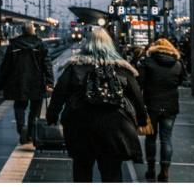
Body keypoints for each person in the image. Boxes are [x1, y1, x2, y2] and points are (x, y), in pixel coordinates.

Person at [46, 27, 147, 182]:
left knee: (82, 169)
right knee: (112, 171)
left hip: (80, 125)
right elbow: (136, 96)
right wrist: (142, 119)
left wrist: (52, 116)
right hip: (114, 126)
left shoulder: (75, 67)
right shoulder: (122, 68)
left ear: (87, 44)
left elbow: (59, 94)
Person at [0, 22, 55, 144]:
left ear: (22, 31)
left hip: (18, 82)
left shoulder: (14, 45)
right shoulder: (40, 44)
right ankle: (30, 132)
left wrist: (1, 82)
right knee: (35, 108)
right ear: (33, 31)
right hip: (37, 82)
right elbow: (47, 65)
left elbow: (5, 66)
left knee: (19, 106)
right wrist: (50, 82)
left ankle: (21, 128)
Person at [139, 38, 185, 182]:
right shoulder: (178, 64)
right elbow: (181, 81)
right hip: (170, 106)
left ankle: (151, 169)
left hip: (151, 104)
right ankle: (165, 171)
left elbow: (141, 82)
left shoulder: (147, 62)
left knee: (151, 138)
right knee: (166, 138)